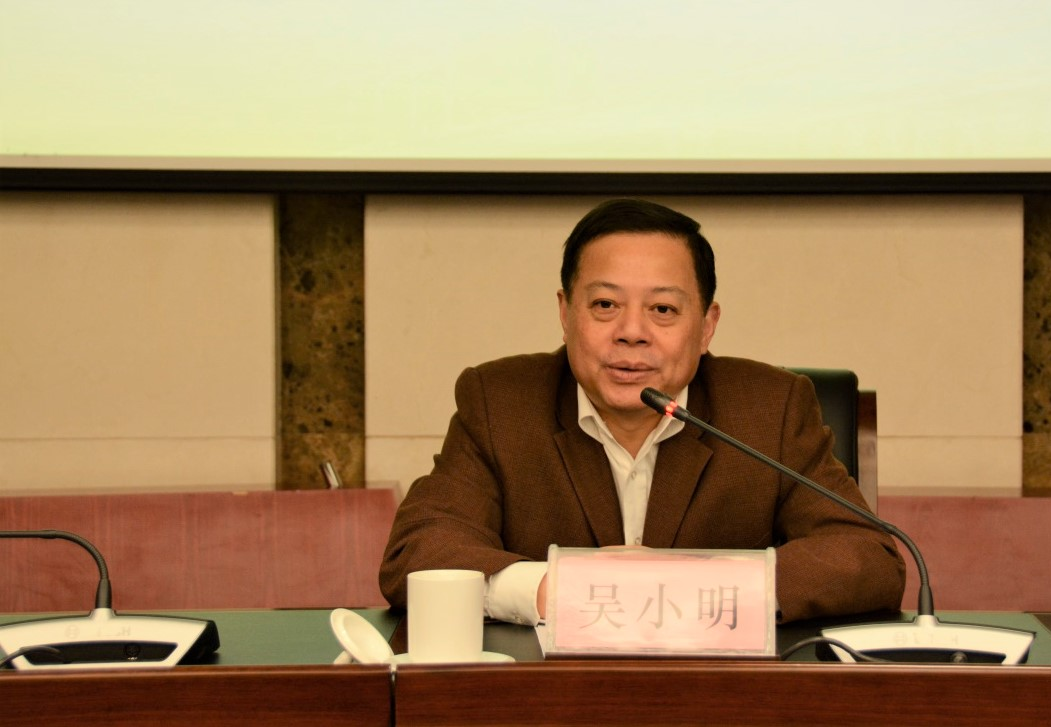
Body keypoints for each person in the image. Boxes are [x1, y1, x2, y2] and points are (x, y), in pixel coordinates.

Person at [379, 198, 905, 625]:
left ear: (707, 326)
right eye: (605, 305)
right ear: (565, 313)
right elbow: (418, 553)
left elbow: (868, 557)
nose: (632, 332)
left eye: (663, 309)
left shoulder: (769, 408)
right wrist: (560, 588)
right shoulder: (501, 402)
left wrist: (692, 584)